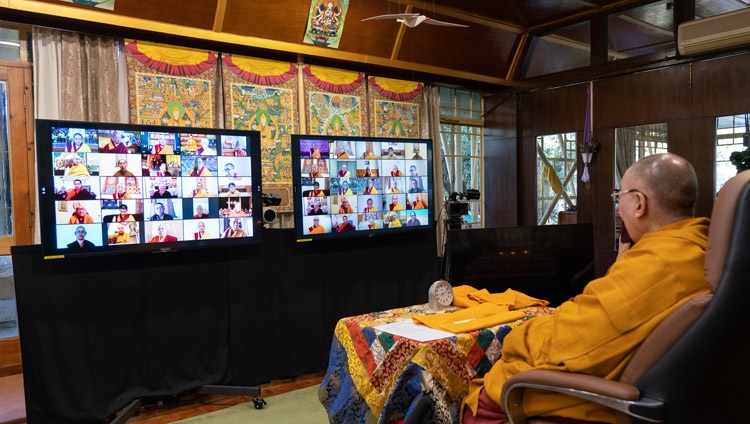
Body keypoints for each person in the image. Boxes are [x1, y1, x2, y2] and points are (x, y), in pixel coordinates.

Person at [462, 153, 710, 424]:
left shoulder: (660, 263)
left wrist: (517, 338)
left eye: (619, 197)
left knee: (484, 400)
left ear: (638, 203)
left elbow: (569, 342)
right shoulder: (701, 249)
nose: (618, 208)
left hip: (604, 397)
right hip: (657, 390)